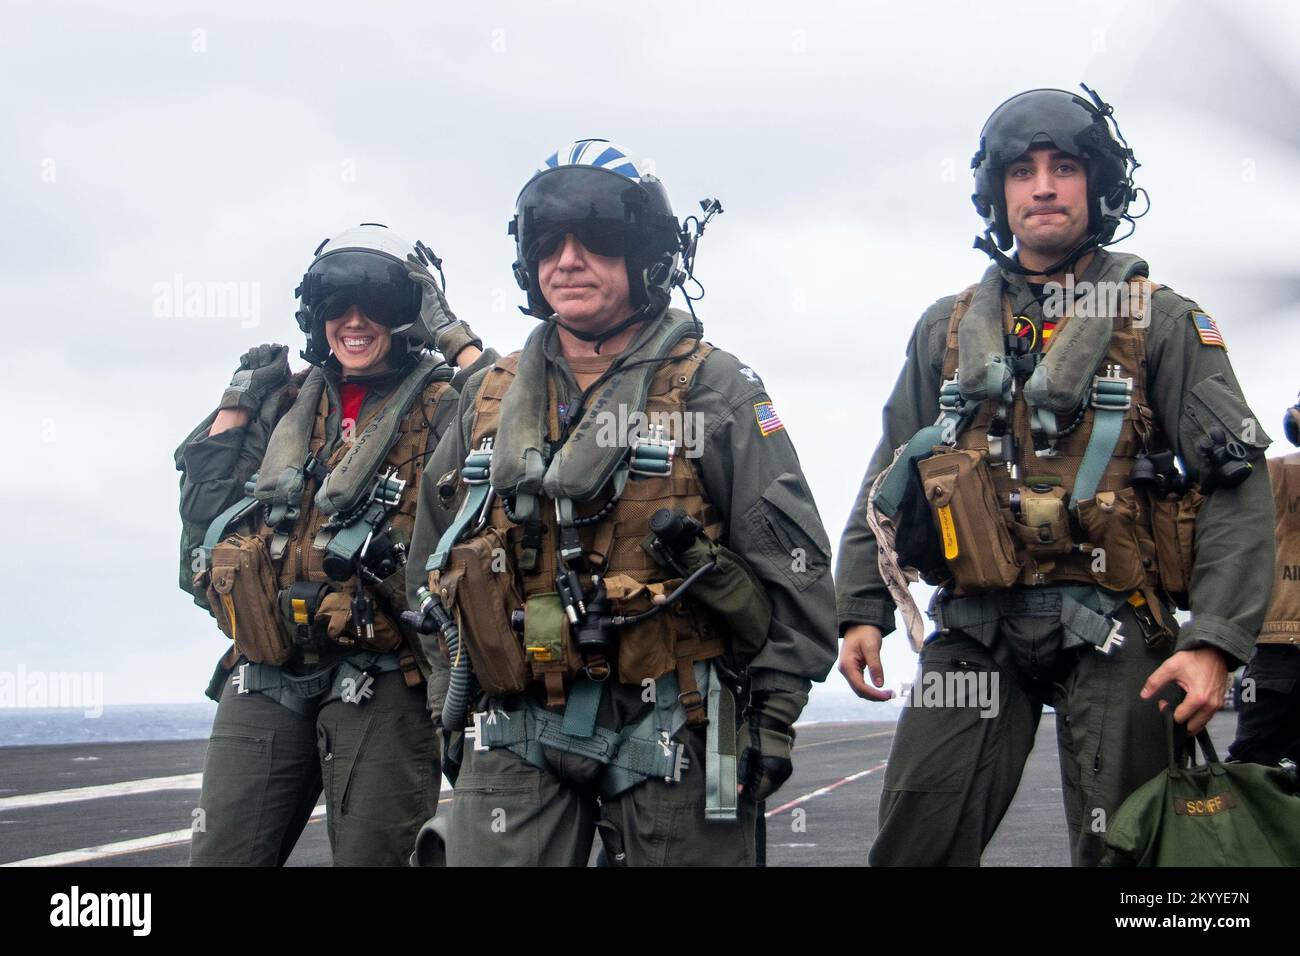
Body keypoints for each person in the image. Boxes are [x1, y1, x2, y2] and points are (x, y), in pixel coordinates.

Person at [834, 87, 1275, 866]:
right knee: (915, 839)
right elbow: (890, 474)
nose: (1042, 185)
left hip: (1117, 626)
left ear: (1097, 184)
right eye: (1022, 170)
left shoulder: (1161, 322)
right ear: (995, 192)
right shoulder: (945, 329)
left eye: (1065, 167)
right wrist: (861, 607)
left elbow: (1237, 485)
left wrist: (1216, 641)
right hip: (975, 625)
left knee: (1130, 852)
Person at [406, 139, 837, 866]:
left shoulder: (712, 388)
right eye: (549, 242)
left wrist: (773, 718)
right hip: (516, 721)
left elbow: (790, 566)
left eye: (596, 240)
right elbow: (429, 562)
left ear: (645, 254)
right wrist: (454, 705)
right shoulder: (487, 398)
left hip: (675, 717)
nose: (567, 260)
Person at [176, 223, 495, 866]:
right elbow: (203, 522)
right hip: (267, 667)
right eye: (338, 307)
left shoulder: (449, 403)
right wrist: (236, 407)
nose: (355, 322)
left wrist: (457, 339)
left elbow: (519, 430)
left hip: (384, 674)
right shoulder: (287, 402)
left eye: (376, 305)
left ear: (411, 316)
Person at [1228, 394, 1300, 766]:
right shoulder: (1275, 474)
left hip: (1279, 650)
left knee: (1253, 770)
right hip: (1281, 647)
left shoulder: (1272, 474)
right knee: (1253, 768)